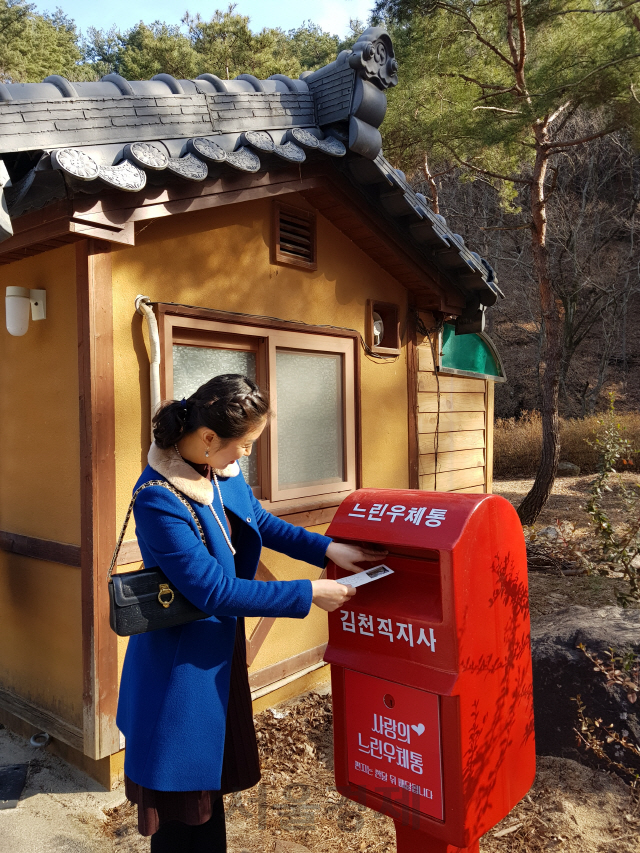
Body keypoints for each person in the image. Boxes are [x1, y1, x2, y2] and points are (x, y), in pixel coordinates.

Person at [117, 373, 384, 852]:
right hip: (178, 674)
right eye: (244, 445)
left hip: (215, 661)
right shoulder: (159, 497)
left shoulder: (218, 472)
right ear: (207, 437)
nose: (247, 455)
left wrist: (329, 548)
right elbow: (213, 590)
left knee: (210, 791)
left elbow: (259, 522)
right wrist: (307, 594)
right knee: (185, 806)